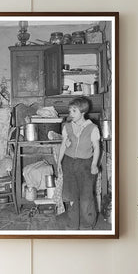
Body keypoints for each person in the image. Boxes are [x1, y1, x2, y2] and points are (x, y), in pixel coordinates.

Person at [57, 97, 100, 230]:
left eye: (74, 111)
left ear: (82, 111)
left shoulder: (92, 128)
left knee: (86, 197)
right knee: (71, 197)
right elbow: (63, 145)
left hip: (86, 165)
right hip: (69, 163)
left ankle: (87, 225)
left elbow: (97, 148)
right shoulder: (67, 127)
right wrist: (59, 162)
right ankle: (73, 225)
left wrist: (94, 164)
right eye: (70, 111)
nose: (70, 113)